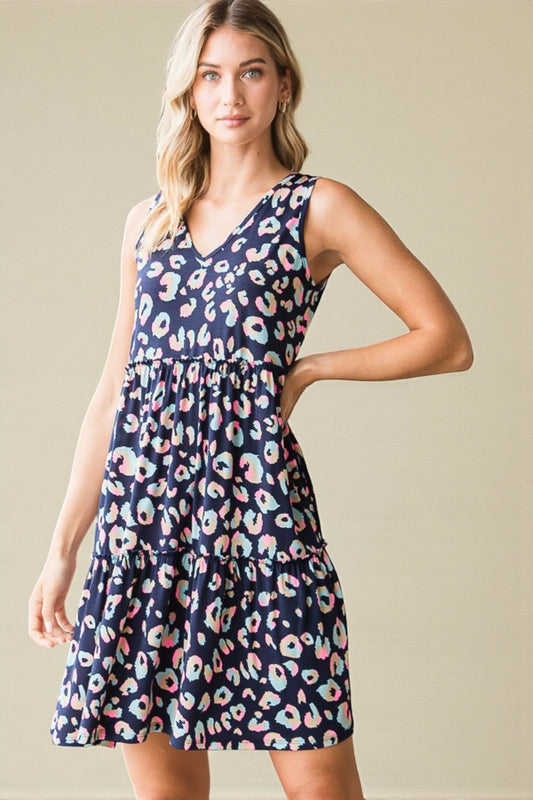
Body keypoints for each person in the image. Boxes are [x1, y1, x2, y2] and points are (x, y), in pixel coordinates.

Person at [28, 0, 473, 798]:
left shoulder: (317, 207)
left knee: (319, 785)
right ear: (189, 94)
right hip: (146, 533)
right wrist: (63, 553)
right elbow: (112, 397)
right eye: (209, 76)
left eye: (250, 72)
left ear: (282, 87)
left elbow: (445, 338)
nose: (229, 94)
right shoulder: (149, 225)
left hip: (259, 524)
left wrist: (306, 370)